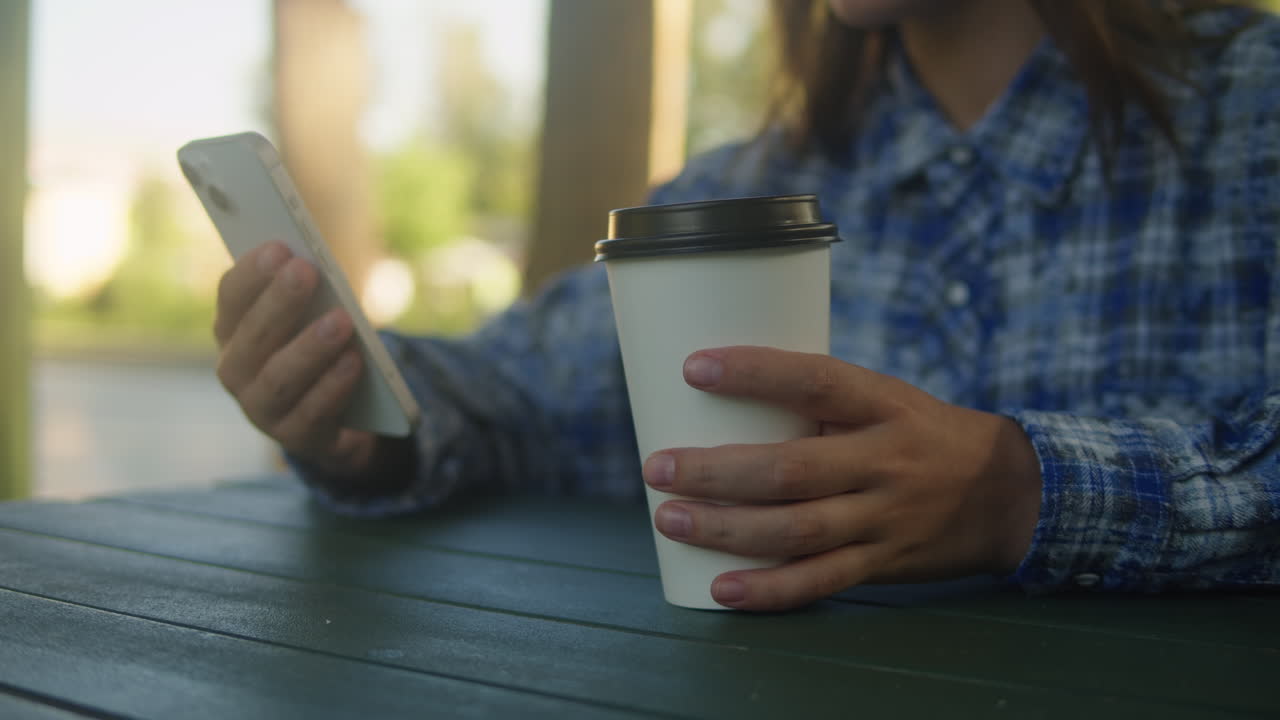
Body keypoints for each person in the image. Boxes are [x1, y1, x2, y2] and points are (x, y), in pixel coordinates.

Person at [212, 0, 1280, 611]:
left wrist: (1018, 491)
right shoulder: (741, 190)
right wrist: (361, 416)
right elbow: (516, 394)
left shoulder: (1252, 113)